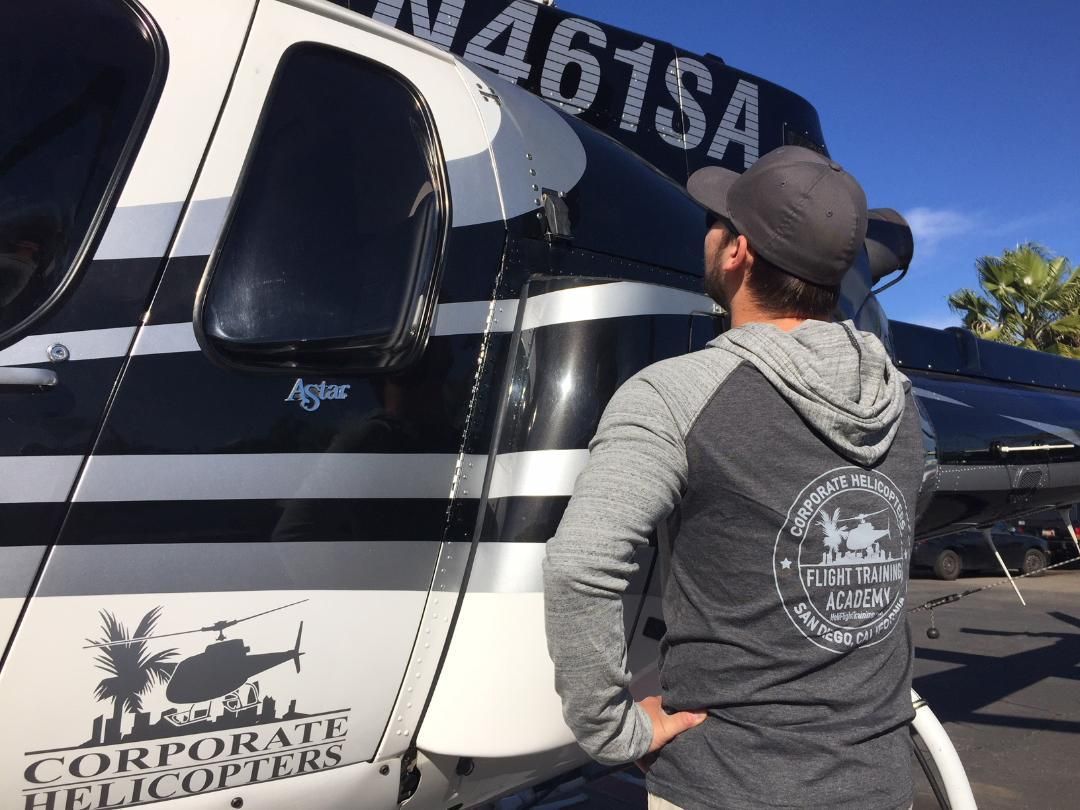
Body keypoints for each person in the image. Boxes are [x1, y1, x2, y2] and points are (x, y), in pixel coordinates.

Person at [543, 145, 924, 810]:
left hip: (728, 785)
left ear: (737, 253)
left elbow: (580, 565)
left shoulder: (674, 393)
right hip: (881, 782)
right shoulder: (905, 407)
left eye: (715, 222)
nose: (707, 233)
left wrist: (614, 730)